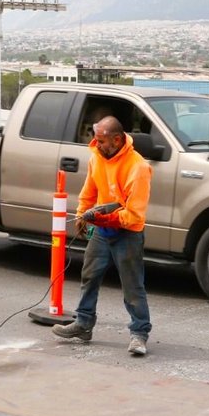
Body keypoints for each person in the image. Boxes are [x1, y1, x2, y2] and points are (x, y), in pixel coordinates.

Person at [51, 116, 153, 356]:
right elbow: (90, 190)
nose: (95, 145)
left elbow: (135, 214)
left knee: (132, 285)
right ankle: (84, 324)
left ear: (117, 140)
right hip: (102, 232)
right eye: (95, 140)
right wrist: (81, 215)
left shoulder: (137, 168)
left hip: (127, 233)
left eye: (101, 140)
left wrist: (108, 218)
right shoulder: (97, 156)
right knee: (89, 275)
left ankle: (139, 333)